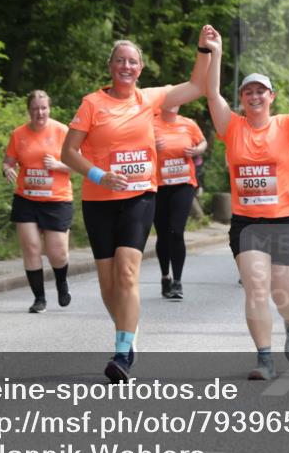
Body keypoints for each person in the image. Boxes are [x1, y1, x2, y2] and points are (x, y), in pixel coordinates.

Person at [60, 29, 212, 383]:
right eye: (120, 60)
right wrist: (99, 175)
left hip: (140, 196)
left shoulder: (149, 99)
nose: (126, 66)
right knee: (108, 284)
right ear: (110, 66)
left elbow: (196, 85)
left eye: (132, 61)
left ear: (140, 68)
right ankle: (129, 332)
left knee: (127, 272)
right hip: (99, 199)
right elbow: (68, 152)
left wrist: (205, 49)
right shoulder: (92, 104)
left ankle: (122, 350)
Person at [206, 30, 289, 381]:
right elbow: (212, 93)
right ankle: (264, 358)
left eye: (261, 90)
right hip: (248, 224)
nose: (255, 96)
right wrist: (215, 52)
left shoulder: (288, 125)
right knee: (256, 286)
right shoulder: (232, 127)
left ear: (271, 97)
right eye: (249, 91)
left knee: (285, 294)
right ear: (242, 98)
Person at [3, 90, 73, 313]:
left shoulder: (62, 131)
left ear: (49, 109)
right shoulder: (19, 134)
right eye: (35, 109)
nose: (39, 113)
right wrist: (7, 170)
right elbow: (8, 162)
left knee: (57, 252)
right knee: (31, 247)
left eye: (43, 108)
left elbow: (81, 164)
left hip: (56, 199)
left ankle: (61, 283)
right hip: (27, 198)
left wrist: (58, 165)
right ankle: (39, 298)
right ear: (29, 111)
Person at [153, 104, 207, 300]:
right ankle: (165, 276)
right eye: (169, 100)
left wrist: (196, 151)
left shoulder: (188, 123)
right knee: (163, 233)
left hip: (183, 183)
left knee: (176, 231)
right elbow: (135, 147)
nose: (173, 103)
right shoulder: (150, 123)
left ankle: (177, 281)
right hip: (158, 185)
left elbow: (202, 142)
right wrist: (151, 147)